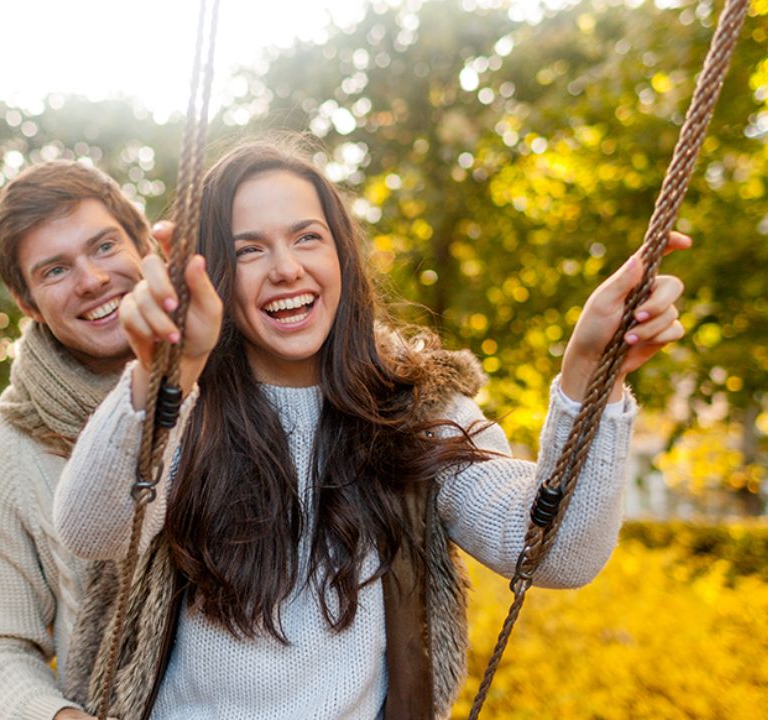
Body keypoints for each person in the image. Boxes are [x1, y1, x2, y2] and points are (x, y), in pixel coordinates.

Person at [52, 137, 690, 719]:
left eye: (307, 238)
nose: (285, 268)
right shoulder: (187, 407)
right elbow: (92, 529)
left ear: (341, 254)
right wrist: (167, 374)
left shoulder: (416, 410)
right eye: (250, 249)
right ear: (213, 274)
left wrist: (588, 375)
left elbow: (557, 551)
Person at [0, 159, 165, 720]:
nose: (93, 280)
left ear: (145, 245)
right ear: (27, 305)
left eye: (104, 247)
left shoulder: (237, 373)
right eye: (54, 270)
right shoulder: (4, 454)